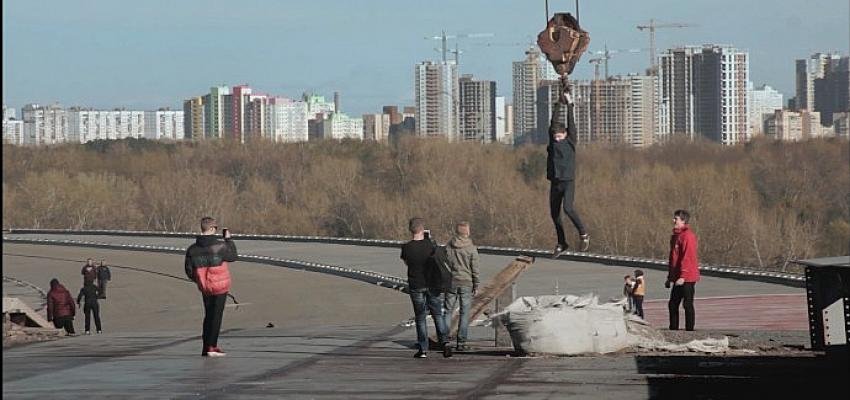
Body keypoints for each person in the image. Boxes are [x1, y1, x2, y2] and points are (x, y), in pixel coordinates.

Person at [185, 217, 238, 357]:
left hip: (205, 286)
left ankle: (206, 346)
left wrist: (198, 280)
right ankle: (212, 347)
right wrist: (228, 240)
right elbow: (233, 256)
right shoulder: (220, 246)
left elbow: (189, 271)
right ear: (213, 229)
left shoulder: (192, 249)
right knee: (216, 316)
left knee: (208, 315)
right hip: (220, 286)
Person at [400, 217, 451, 358]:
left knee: (420, 317)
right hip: (432, 284)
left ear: (410, 230)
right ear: (423, 229)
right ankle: (445, 342)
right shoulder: (431, 246)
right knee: (437, 314)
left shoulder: (406, 247)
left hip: (416, 285)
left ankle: (423, 349)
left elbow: (406, 262)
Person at [547, 93, 590, 258]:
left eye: (559, 136)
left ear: (565, 134)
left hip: (568, 181)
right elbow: (552, 123)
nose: (557, 139)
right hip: (555, 182)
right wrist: (558, 103)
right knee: (554, 214)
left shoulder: (571, 141)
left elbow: (572, 124)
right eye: (555, 137)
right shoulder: (552, 141)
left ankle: (583, 233)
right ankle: (562, 242)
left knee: (568, 208)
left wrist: (570, 104)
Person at [443, 221, 480, 352]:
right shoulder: (471, 248)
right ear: (467, 232)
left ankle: (445, 340)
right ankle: (461, 342)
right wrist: (476, 284)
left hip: (452, 282)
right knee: (464, 314)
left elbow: (444, 263)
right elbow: (474, 269)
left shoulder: (449, 246)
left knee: (447, 311)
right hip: (466, 282)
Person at [665, 210, 700, 331]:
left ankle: (689, 329)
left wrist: (683, 276)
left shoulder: (688, 236)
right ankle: (673, 328)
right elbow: (673, 259)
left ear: (683, 221)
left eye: (676, 219)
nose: (673, 221)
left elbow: (688, 257)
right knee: (673, 304)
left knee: (687, 303)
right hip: (678, 276)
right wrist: (670, 277)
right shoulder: (676, 237)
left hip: (687, 276)